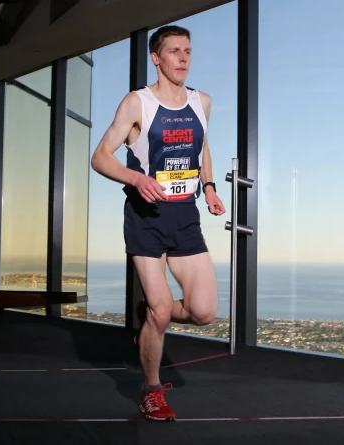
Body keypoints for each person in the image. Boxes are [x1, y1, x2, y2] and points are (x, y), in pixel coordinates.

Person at [90, 25, 225, 421]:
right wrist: (136, 178)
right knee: (163, 312)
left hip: (186, 217)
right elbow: (100, 157)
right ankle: (151, 390)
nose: (183, 58)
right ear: (156, 58)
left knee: (203, 311)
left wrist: (211, 187)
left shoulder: (203, 102)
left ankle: (150, 313)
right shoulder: (137, 103)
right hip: (146, 218)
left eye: (188, 50)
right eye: (174, 51)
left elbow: (202, 149)